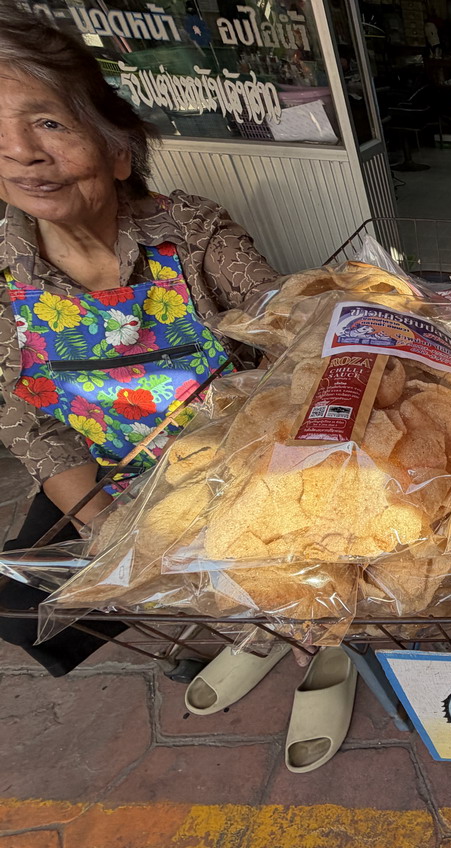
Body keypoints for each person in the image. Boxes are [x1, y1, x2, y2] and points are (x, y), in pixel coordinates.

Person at [0, 14, 280, 675]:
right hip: (114, 477)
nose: (21, 151)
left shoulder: (191, 234)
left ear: (117, 148)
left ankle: (262, 627)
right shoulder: (6, 277)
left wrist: (265, 405)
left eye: (49, 123)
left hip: (230, 466)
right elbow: (29, 419)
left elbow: (281, 314)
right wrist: (104, 523)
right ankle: (176, 632)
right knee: (21, 609)